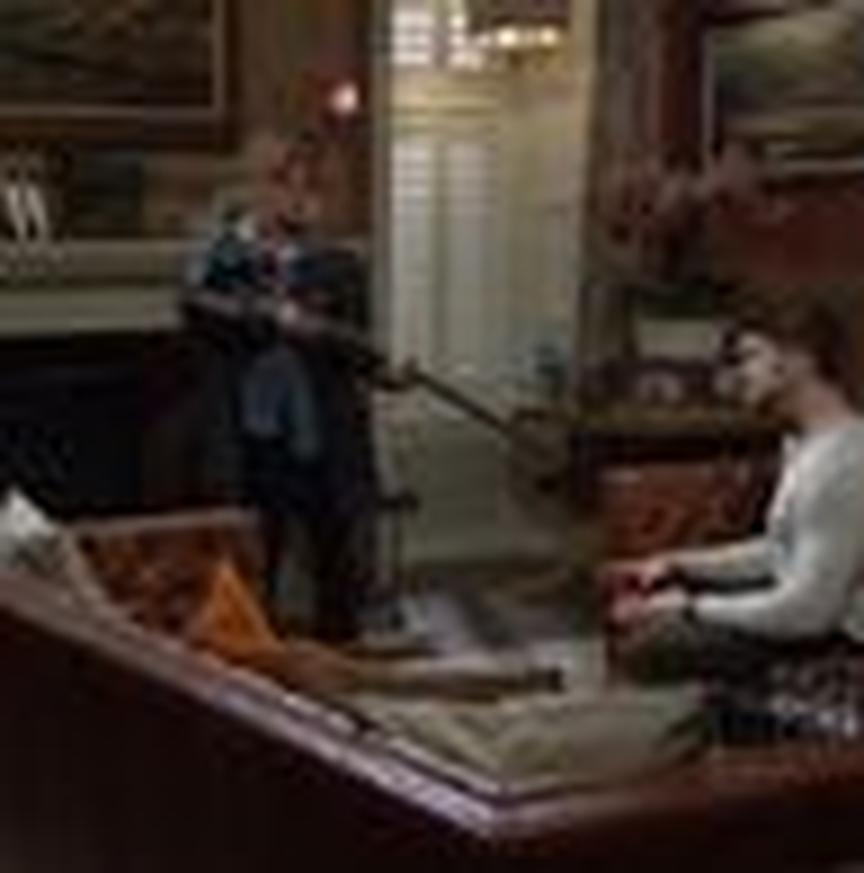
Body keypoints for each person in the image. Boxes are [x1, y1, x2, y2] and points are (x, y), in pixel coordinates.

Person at [182, 131, 392, 643]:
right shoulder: (224, 259)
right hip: (255, 443)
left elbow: (358, 346)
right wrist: (274, 317)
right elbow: (199, 312)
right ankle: (258, 669)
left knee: (336, 566)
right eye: (285, 184)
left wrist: (366, 359)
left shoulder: (341, 264)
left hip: (322, 440)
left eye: (309, 187)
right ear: (260, 189)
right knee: (256, 566)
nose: (298, 197)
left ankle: (342, 661)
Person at [603, 292, 864, 683]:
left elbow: (809, 612)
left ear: (798, 361)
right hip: (810, 616)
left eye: (750, 357)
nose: (740, 374)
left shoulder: (842, 463)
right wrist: (677, 563)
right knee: (654, 597)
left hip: (839, 640)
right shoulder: (808, 445)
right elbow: (780, 552)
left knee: (655, 643)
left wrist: (690, 608)